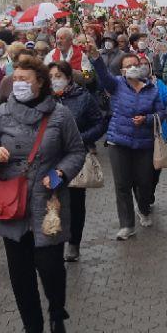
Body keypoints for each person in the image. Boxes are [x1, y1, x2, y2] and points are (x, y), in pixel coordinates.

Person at [0, 55, 86, 333]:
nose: (20, 83)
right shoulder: (2, 113)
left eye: (26, 79)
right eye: (17, 78)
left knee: (50, 268)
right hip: (11, 202)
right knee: (20, 272)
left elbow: (77, 151)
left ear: (40, 82)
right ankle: (31, 326)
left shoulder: (60, 115)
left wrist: (61, 172)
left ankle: (56, 315)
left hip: (48, 202)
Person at [91, 43, 165, 240]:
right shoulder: (116, 84)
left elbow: (161, 112)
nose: (132, 67)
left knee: (144, 182)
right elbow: (103, 75)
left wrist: (147, 119)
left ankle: (143, 208)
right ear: (122, 70)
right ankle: (127, 224)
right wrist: (95, 57)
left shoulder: (152, 89)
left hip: (144, 143)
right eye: (128, 65)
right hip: (119, 142)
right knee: (122, 184)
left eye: (135, 64)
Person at [48, 60, 107, 263]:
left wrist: (81, 138)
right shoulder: (43, 99)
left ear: (68, 78)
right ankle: (52, 236)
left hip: (73, 159)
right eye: (51, 77)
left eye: (58, 76)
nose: (54, 81)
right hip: (50, 160)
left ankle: (74, 242)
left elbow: (99, 123)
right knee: (51, 196)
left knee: (74, 203)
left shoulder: (83, 97)